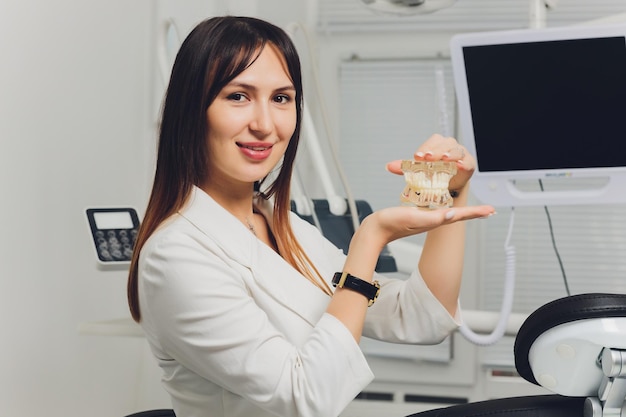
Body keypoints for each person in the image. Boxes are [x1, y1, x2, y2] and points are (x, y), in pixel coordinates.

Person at [127, 15, 495, 417]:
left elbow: (421, 318)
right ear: (192, 111)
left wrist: (449, 193)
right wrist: (370, 238)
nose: (265, 125)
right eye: (238, 96)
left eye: (281, 98)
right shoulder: (174, 256)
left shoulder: (280, 224)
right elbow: (306, 398)